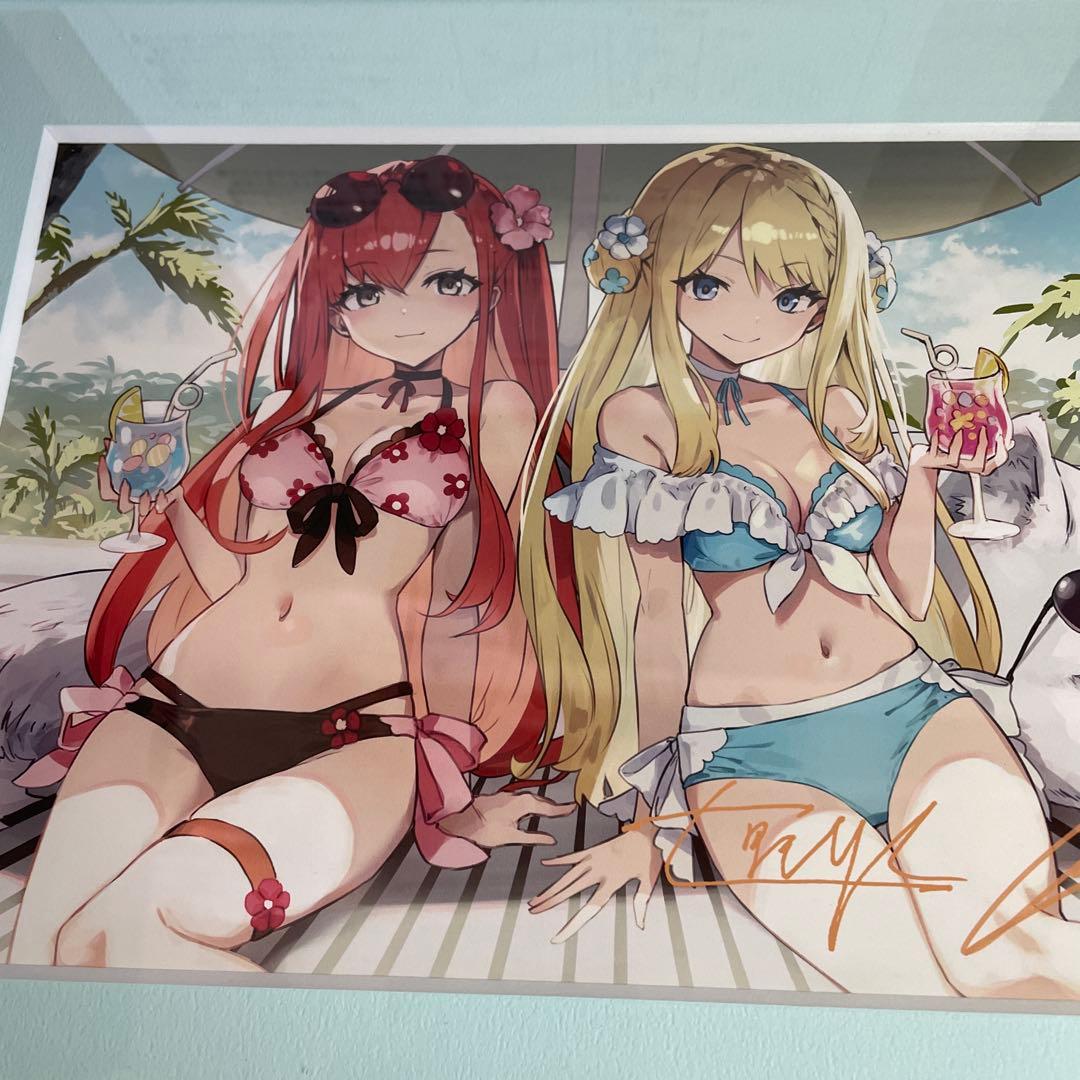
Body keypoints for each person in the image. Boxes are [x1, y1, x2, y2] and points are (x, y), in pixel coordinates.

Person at [519, 144, 1078, 1000]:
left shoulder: (832, 410)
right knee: (903, 987)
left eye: (791, 295)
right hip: (751, 750)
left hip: (915, 709)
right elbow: (656, 626)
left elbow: (908, 591)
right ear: (655, 274)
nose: (753, 317)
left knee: (1021, 962)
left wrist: (922, 476)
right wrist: (654, 822)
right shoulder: (647, 420)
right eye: (711, 283)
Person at [9, 156, 575, 971]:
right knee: (38, 948)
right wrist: (167, 503)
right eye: (367, 290)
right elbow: (235, 578)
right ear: (330, 297)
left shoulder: (499, 413)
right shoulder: (290, 408)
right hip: (171, 707)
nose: (406, 313)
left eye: (446, 281)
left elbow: (489, 603)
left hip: (350, 731)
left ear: (493, 284)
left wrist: (463, 790)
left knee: (128, 928)